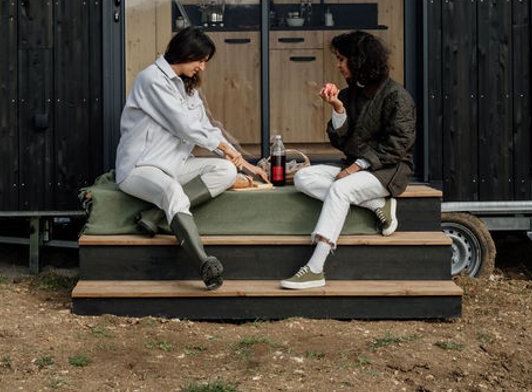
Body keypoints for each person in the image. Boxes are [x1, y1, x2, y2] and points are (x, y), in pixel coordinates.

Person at [116, 26, 264, 290]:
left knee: (225, 172)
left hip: (174, 166)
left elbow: (205, 127)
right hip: (139, 168)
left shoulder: (188, 89)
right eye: (200, 61)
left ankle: (155, 215)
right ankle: (204, 263)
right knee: (172, 189)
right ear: (186, 53)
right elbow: (184, 126)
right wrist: (225, 147)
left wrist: (238, 159)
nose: (203, 68)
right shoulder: (150, 79)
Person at [280, 30, 416, 290]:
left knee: (341, 189)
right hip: (357, 171)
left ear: (359, 60)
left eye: (342, 59)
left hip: (388, 171)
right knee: (303, 177)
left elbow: (397, 146)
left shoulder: (398, 98)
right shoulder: (350, 94)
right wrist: (338, 109)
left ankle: (315, 268)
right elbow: (341, 142)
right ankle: (375, 204)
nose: (339, 65)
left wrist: (357, 166)